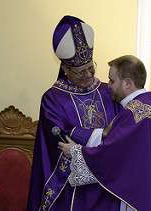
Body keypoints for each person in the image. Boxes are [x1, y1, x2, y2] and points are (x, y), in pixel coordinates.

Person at [27, 16, 121, 211]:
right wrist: (102, 134)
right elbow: (59, 138)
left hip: (109, 188)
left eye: (91, 68)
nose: (88, 75)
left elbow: (125, 127)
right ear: (65, 69)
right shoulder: (53, 99)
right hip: (73, 192)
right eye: (80, 71)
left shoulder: (108, 91)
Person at [59, 55, 151, 211]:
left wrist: (75, 151)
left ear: (127, 83)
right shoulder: (148, 108)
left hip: (136, 198)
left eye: (112, 81)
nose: (109, 86)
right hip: (148, 193)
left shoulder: (133, 114)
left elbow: (111, 156)